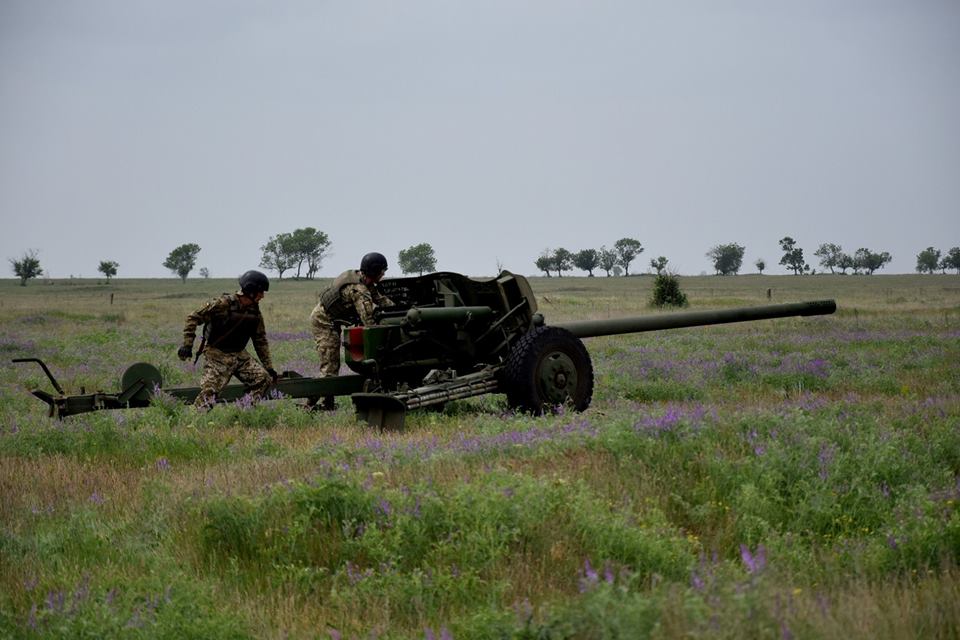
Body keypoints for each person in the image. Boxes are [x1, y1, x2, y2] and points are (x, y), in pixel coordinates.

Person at [178, 270, 278, 409]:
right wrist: (187, 345)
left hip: (240, 355)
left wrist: (269, 368)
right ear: (250, 291)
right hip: (217, 355)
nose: (262, 296)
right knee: (210, 392)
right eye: (260, 292)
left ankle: (245, 412)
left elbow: (260, 340)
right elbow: (193, 317)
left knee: (263, 379)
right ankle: (194, 422)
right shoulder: (222, 304)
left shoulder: (255, 313)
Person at [308, 252, 394, 410]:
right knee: (329, 367)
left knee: (333, 366)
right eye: (382, 271)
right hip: (324, 321)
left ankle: (328, 404)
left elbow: (381, 300)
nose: (383, 274)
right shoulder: (358, 290)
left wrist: (399, 309)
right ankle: (311, 404)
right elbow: (368, 321)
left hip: (334, 320)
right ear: (374, 271)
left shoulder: (365, 281)